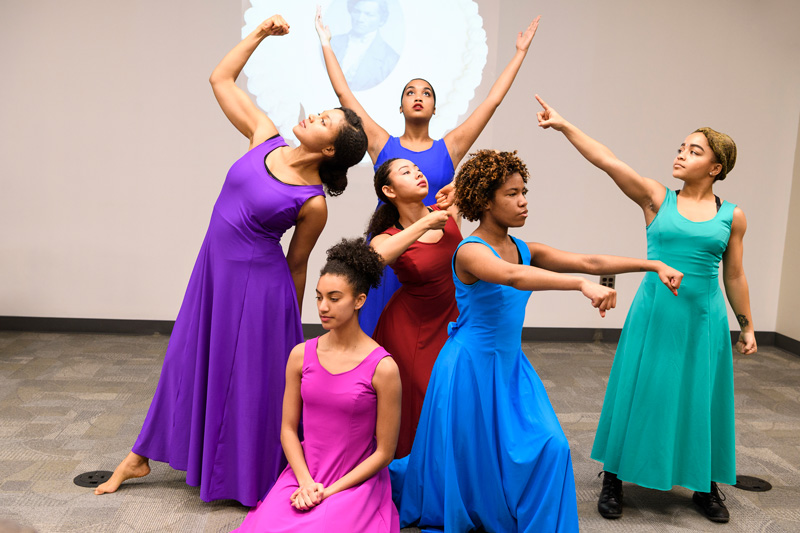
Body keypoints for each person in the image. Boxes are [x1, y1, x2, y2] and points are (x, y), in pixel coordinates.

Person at [93, 16, 367, 506]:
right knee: (186, 357)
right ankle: (142, 453)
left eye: (324, 120)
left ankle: (240, 477)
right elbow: (220, 78)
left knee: (244, 383)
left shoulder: (314, 201)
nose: (312, 116)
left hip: (258, 290)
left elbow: (298, 263)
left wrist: (290, 323)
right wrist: (259, 35)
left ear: (329, 149)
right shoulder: (265, 136)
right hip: (215, 273)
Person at [390, 149, 684, 532]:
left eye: (524, 191)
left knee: (551, 445)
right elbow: (513, 277)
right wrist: (579, 286)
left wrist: (652, 264)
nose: (523, 200)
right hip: (470, 368)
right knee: (475, 456)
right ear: (485, 201)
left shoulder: (525, 248)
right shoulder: (472, 251)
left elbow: (589, 262)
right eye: (512, 193)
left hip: (510, 366)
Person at [535, 95, 757, 524]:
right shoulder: (658, 198)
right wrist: (564, 126)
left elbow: (734, 275)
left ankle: (705, 484)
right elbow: (608, 161)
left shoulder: (732, 216)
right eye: (681, 146)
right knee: (640, 389)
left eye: (695, 150)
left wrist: (746, 325)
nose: (681, 153)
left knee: (701, 397)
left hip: (704, 320)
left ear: (716, 168)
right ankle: (614, 476)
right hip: (656, 313)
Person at [316, 8, 541, 335]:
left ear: (435, 107)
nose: (418, 97)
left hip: (436, 255)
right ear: (401, 106)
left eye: (426, 93)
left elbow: (491, 102)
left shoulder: (448, 148)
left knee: (434, 334)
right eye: (410, 92)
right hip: (395, 249)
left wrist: (519, 54)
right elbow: (345, 95)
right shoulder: (382, 144)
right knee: (383, 330)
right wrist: (326, 44)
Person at [233, 238, 401, 532]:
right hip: (302, 476)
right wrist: (306, 483)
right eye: (319, 297)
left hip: (353, 482)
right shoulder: (300, 355)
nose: (323, 307)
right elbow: (287, 429)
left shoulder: (383, 368)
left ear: (359, 300)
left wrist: (327, 491)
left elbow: (384, 452)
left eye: (334, 298)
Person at [366, 158, 461, 457]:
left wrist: (457, 187)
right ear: (389, 191)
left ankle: (447, 481)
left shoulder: (446, 214)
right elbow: (376, 259)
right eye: (405, 172)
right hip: (412, 331)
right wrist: (424, 222)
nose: (417, 172)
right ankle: (412, 484)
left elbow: (487, 173)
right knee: (419, 402)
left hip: (453, 324)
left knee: (452, 401)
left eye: (418, 169)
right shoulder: (387, 237)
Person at [330, 0, 399, 91]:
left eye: (369, 14)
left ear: (381, 20)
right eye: (357, 12)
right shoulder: (331, 43)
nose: (360, 19)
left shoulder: (390, 59)